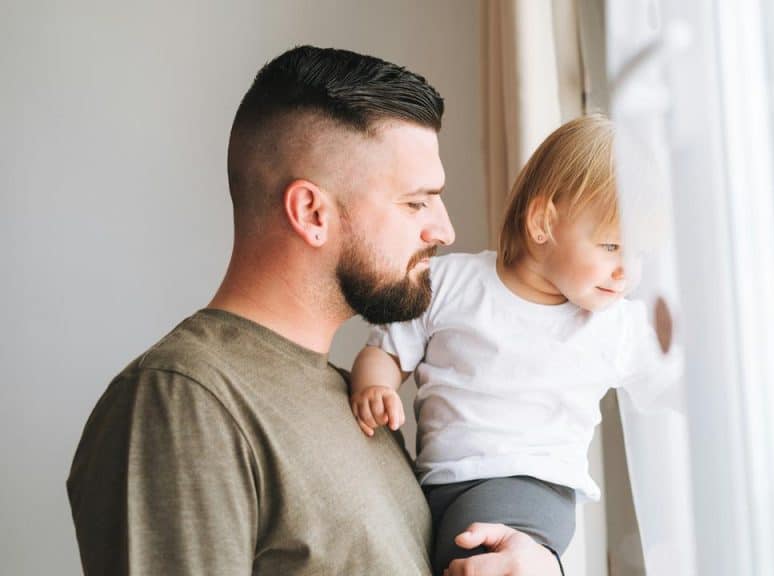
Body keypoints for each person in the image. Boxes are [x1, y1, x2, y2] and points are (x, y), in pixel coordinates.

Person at [66, 45, 563, 576]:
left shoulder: (359, 402)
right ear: (311, 212)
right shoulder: (182, 398)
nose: (444, 231)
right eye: (416, 202)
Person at [349, 114, 682, 573]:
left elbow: (680, 384)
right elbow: (384, 349)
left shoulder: (616, 326)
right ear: (543, 222)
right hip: (438, 487)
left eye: (639, 253)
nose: (628, 272)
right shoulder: (450, 282)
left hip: (531, 487)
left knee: (480, 556)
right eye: (611, 247)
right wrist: (376, 387)